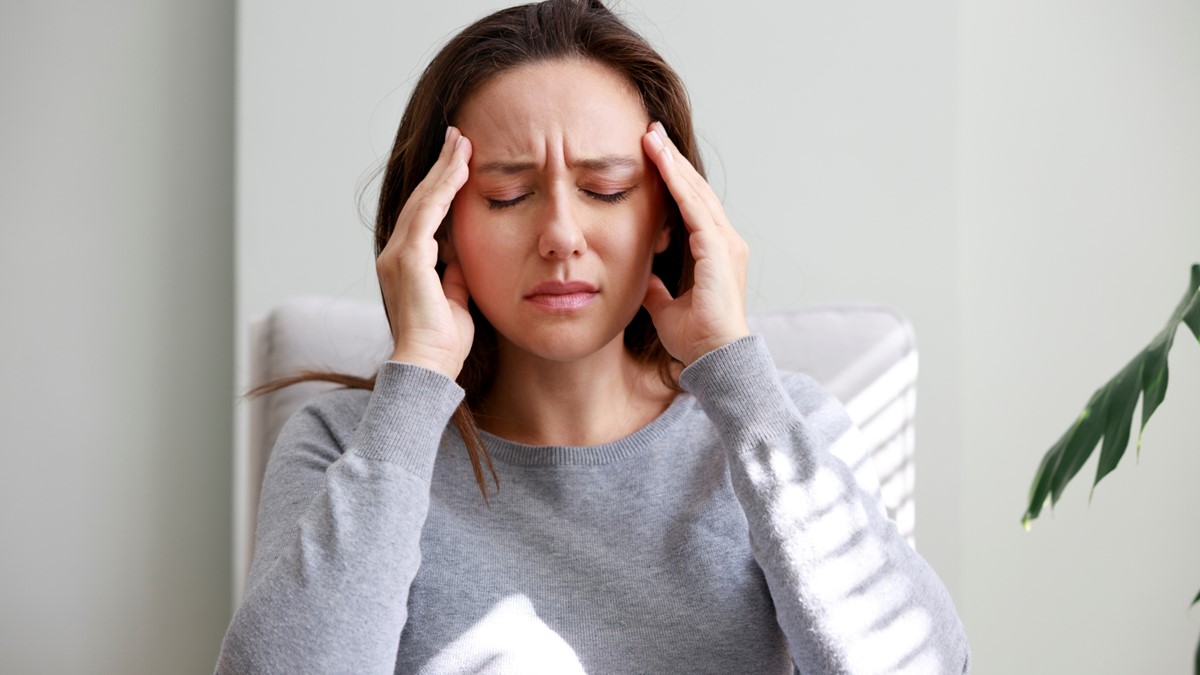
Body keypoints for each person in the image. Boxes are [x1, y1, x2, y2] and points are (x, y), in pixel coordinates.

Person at [216, 0, 970, 672]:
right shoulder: (347, 445)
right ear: (438, 224)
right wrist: (415, 385)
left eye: (606, 189)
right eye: (508, 195)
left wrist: (736, 376)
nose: (561, 236)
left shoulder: (785, 423)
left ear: (671, 210)